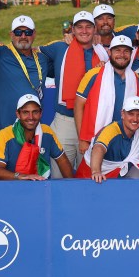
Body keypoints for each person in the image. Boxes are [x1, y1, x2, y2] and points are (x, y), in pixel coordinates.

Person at [39, 9, 110, 169]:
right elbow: (35, 51)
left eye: (88, 27)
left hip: (94, 122)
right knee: (60, 175)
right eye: (79, 27)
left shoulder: (104, 53)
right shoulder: (60, 47)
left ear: (95, 29)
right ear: (72, 30)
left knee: (90, 175)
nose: (84, 31)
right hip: (65, 121)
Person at [75, 35, 139, 155]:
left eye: (126, 51)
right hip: (93, 139)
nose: (122, 55)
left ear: (131, 54)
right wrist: (82, 138)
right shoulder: (93, 74)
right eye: (117, 50)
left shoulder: (135, 78)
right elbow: (78, 105)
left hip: (123, 141)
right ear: (110, 52)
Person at [77, 96, 139, 182]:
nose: (135, 119)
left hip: (118, 181)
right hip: (90, 179)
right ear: (123, 114)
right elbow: (98, 148)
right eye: (131, 114)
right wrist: (95, 172)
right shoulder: (111, 130)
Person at [0, 94, 74, 180]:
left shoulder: (47, 131)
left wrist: (72, 186)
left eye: (35, 112)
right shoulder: (5, 135)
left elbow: (62, 160)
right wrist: (21, 176)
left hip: (41, 185)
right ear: (18, 114)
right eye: (25, 112)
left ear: (41, 113)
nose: (31, 117)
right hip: (13, 187)